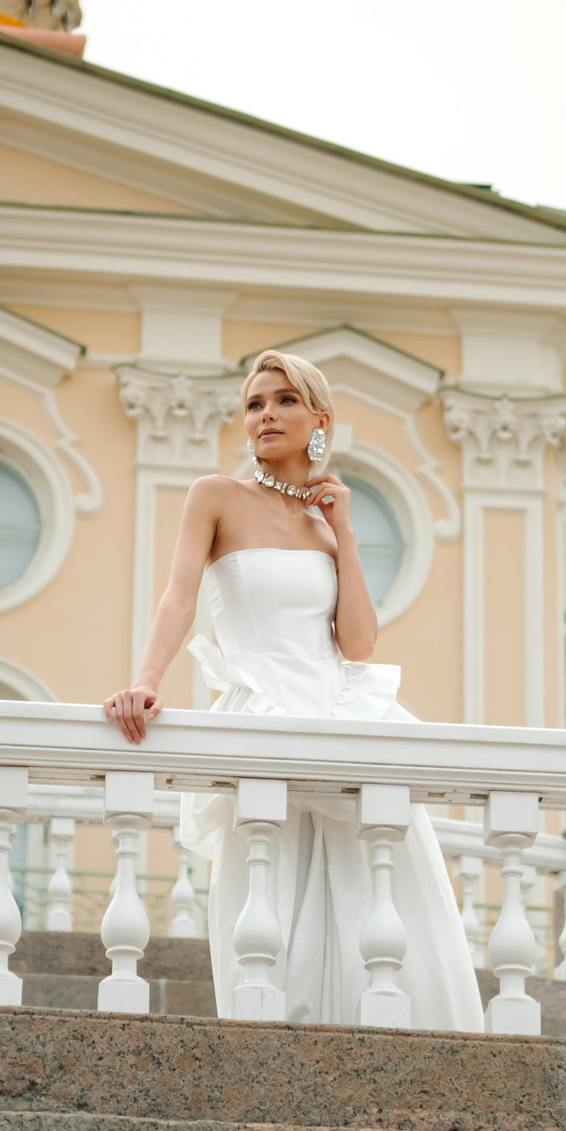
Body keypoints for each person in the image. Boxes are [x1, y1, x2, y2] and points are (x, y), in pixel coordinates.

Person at [103, 350, 483, 1032]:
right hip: (263, 720)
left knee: (380, 903)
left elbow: (360, 643)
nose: (266, 414)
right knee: (270, 912)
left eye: (283, 400)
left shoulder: (324, 524)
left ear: (319, 421)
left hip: (343, 718)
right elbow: (178, 597)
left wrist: (345, 531)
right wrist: (144, 682)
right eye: (254, 403)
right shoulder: (215, 496)